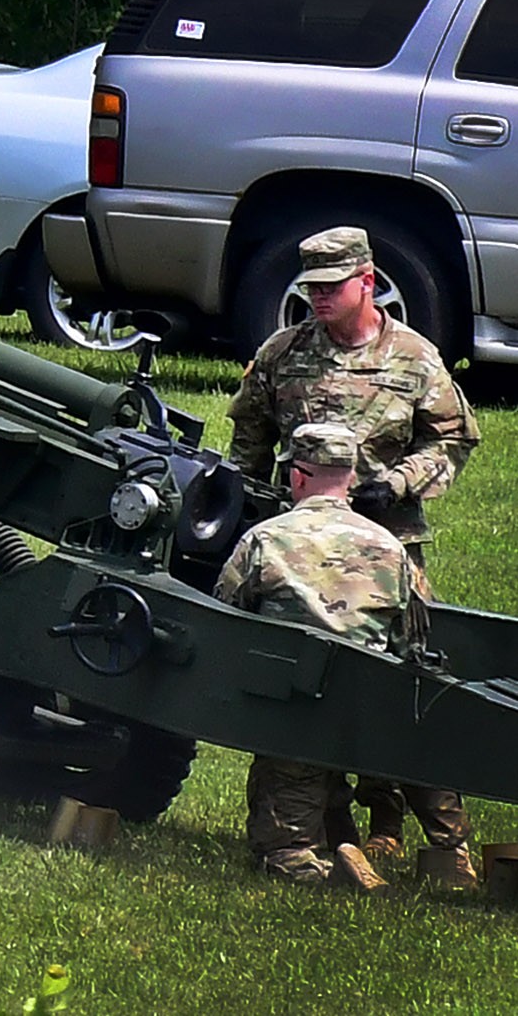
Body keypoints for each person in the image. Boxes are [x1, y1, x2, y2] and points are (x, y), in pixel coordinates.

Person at [225, 225, 477, 882]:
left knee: (404, 684)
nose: (319, 300)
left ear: (368, 281)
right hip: (299, 548)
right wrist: (249, 515)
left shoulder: (414, 359)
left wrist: (397, 482)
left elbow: (452, 439)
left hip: (388, 549)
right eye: (311, 289)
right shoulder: (284, 353)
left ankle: (397, 823)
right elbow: (248, 439)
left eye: (332, 288)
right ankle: (331, 827)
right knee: (306, 681)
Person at [213, 422, 416, 890]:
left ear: (298, 477)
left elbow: (223, 623)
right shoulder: (390, 547)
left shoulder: (266, 540)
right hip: (365, 716)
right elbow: (409, 643)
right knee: (322, 788)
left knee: (281, 850)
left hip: (291, 716)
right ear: (349, 478)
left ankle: (323, 871)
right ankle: (345, 840)